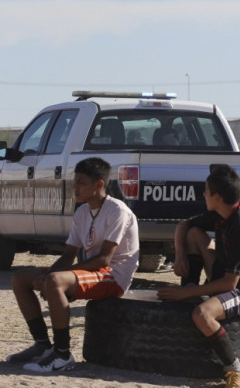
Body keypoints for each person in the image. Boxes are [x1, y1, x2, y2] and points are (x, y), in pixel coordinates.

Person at [7, 157, 140, 373]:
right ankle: (42, 345)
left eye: (81, 182)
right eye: (74, 181)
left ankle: (62, 354)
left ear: (99, 184)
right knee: (20, 278)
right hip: (90, 272)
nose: (74, 187)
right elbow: (68, 255)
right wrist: (47, 274)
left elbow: (105, 259)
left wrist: (53, 278)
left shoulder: (117, 211)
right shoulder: (81, 212)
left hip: (113, 276)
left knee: (55, 281)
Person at [157, 165, 240, 388]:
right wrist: (180, 256)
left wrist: (186, 293)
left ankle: (237, 370)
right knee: (194, 234)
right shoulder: (221, 213)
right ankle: (191, 289)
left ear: (217, 197)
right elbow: (183, 225)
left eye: (206, 191)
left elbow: (230, 283)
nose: (203, 194)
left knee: (202, 314)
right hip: (226, 274)